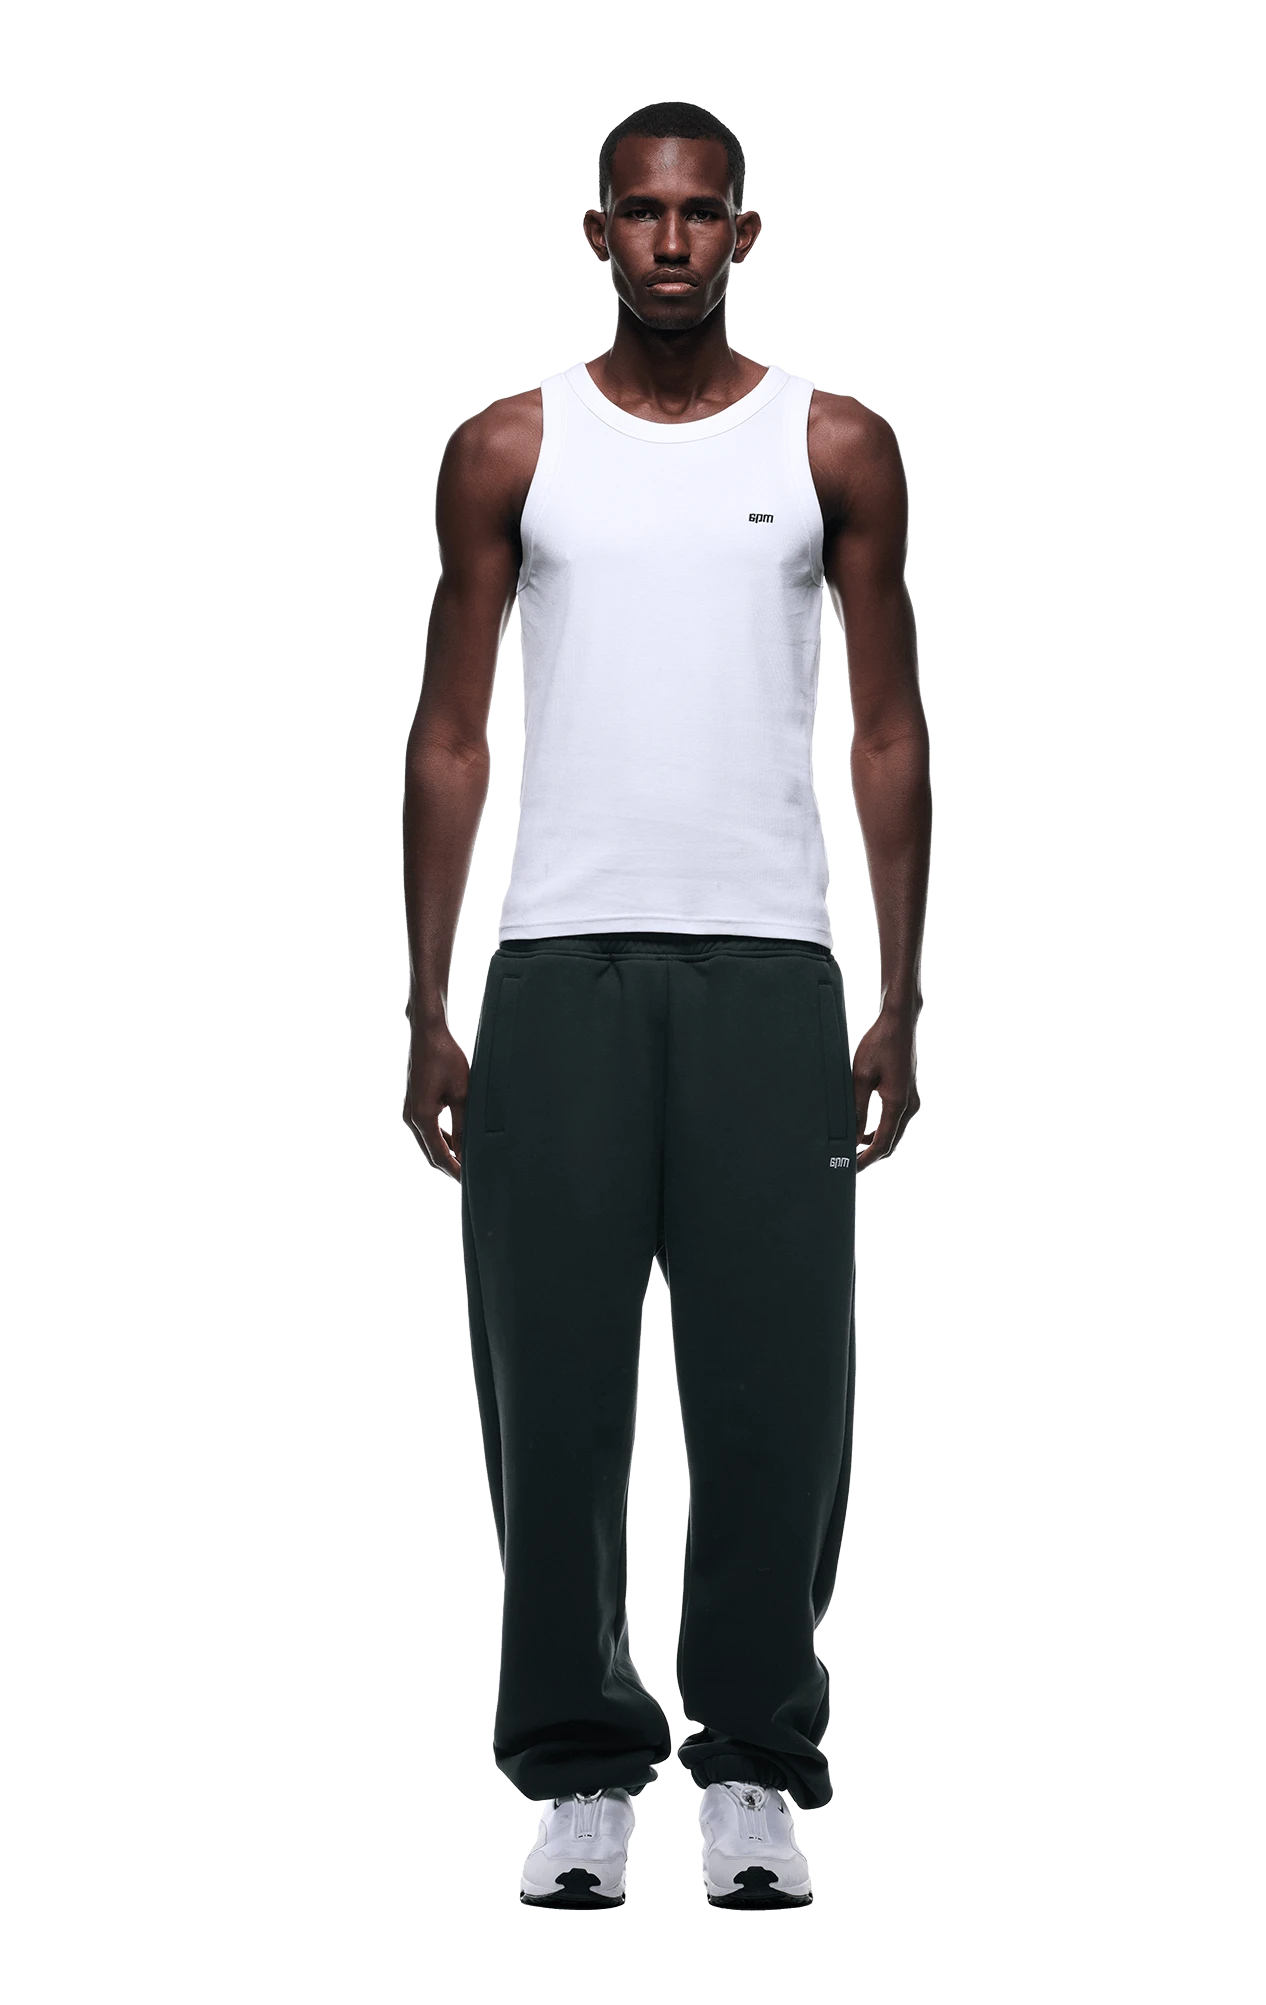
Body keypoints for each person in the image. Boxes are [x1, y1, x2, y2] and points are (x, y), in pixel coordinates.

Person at [402, 100, 928, 1910]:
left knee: (779, 1386)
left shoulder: (834, 441)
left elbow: (887, 730)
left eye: (703, 213)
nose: (675, 240)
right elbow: (451, 735)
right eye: (643, 213)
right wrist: (428, 1004)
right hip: (560, 963)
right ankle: (578, 1774)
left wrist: (899, 995)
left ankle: (759, 1769)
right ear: (600, 235)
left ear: (746, 234)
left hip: (768, 964)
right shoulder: (514, 446)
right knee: (550, 1385)